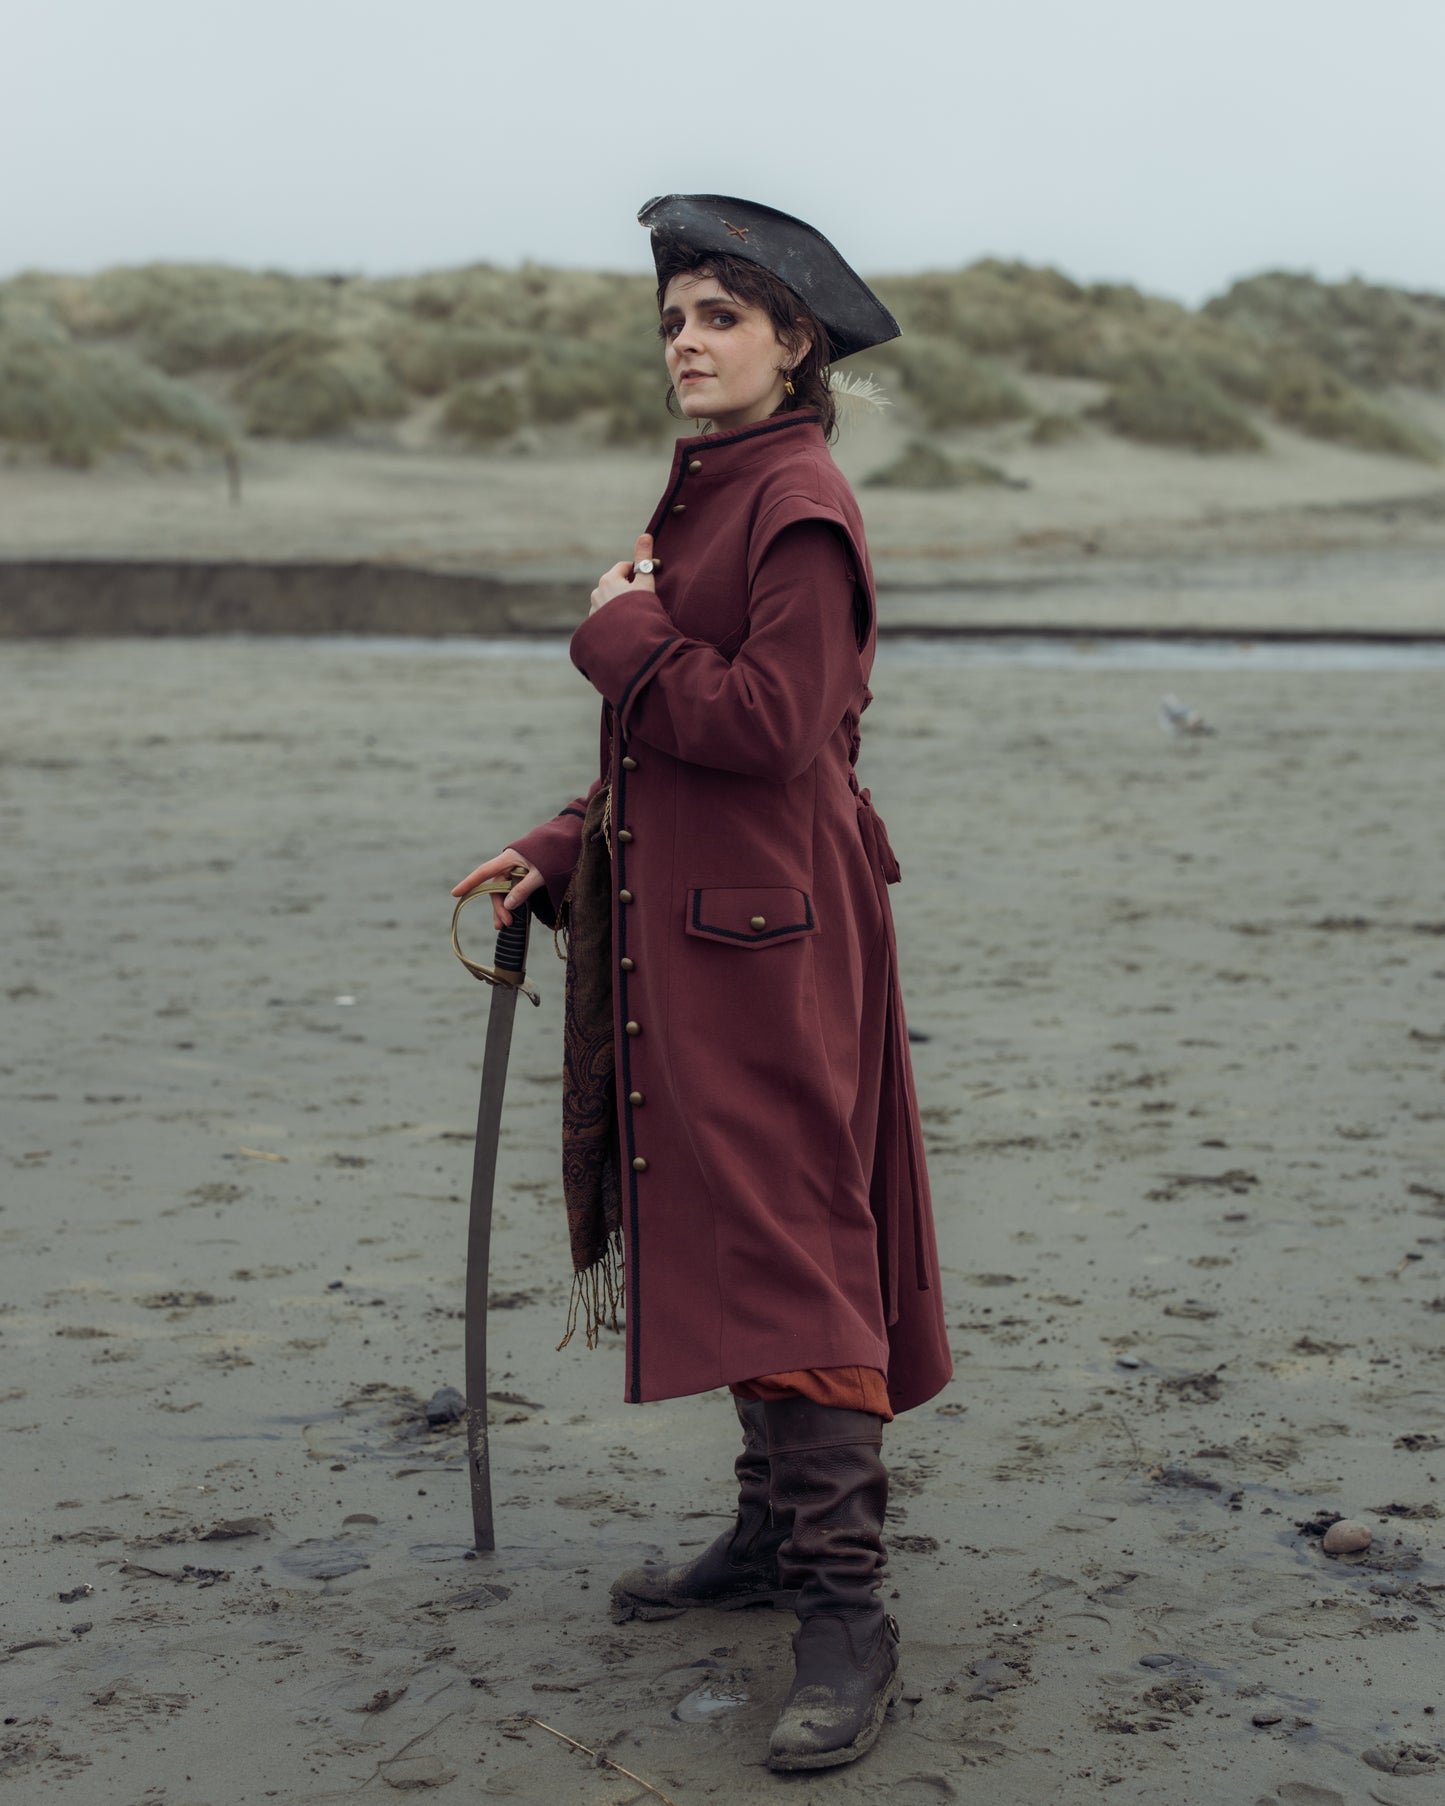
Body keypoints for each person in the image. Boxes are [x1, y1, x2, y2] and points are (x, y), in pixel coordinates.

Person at [451, 194, 951, 1773]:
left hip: (775, 943)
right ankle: (763, 1536)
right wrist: (557, 839)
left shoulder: (795, 500)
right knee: (733, 1225)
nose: (685, 340)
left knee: (794, 1244)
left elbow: (764, 725)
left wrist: (617, 637)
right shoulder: (713, 487)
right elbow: (678, 743)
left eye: (720, 316)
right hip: (712, 917)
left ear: (793, 344)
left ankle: (844, 1614)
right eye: (672, 317)